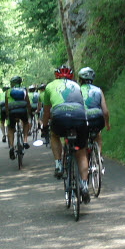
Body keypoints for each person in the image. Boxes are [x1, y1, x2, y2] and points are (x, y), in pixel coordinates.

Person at [41, 65, 90, 202]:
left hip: (60, 117)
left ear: (56, 76)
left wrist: (44, 127)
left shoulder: (50, 86)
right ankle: (85, 186)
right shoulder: (77, 86)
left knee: (54, 134)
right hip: (79, 117)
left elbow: (46, 112)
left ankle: (58, 165)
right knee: (81, 152)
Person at [77, 67, 110, 152]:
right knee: (97, 135)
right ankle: (98, 157)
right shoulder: (98, 90)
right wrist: (107, 123)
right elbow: (105, 111)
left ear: (80, 80)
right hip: (97, 118)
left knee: (82, 137)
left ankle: (86, 159)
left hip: (83, 118)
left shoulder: (77, 90)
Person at [5, 76, 32, 160]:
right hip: (22, 111)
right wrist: (29, 112)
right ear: (20, 83)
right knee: (25, 123)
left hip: (12, 112)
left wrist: (7, 115)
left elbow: (6, 105)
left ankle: (12, 147)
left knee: (10, 128)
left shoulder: (8, 91)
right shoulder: (24, 90)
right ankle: (25, 141)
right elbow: (27, 103)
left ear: (11, 84)